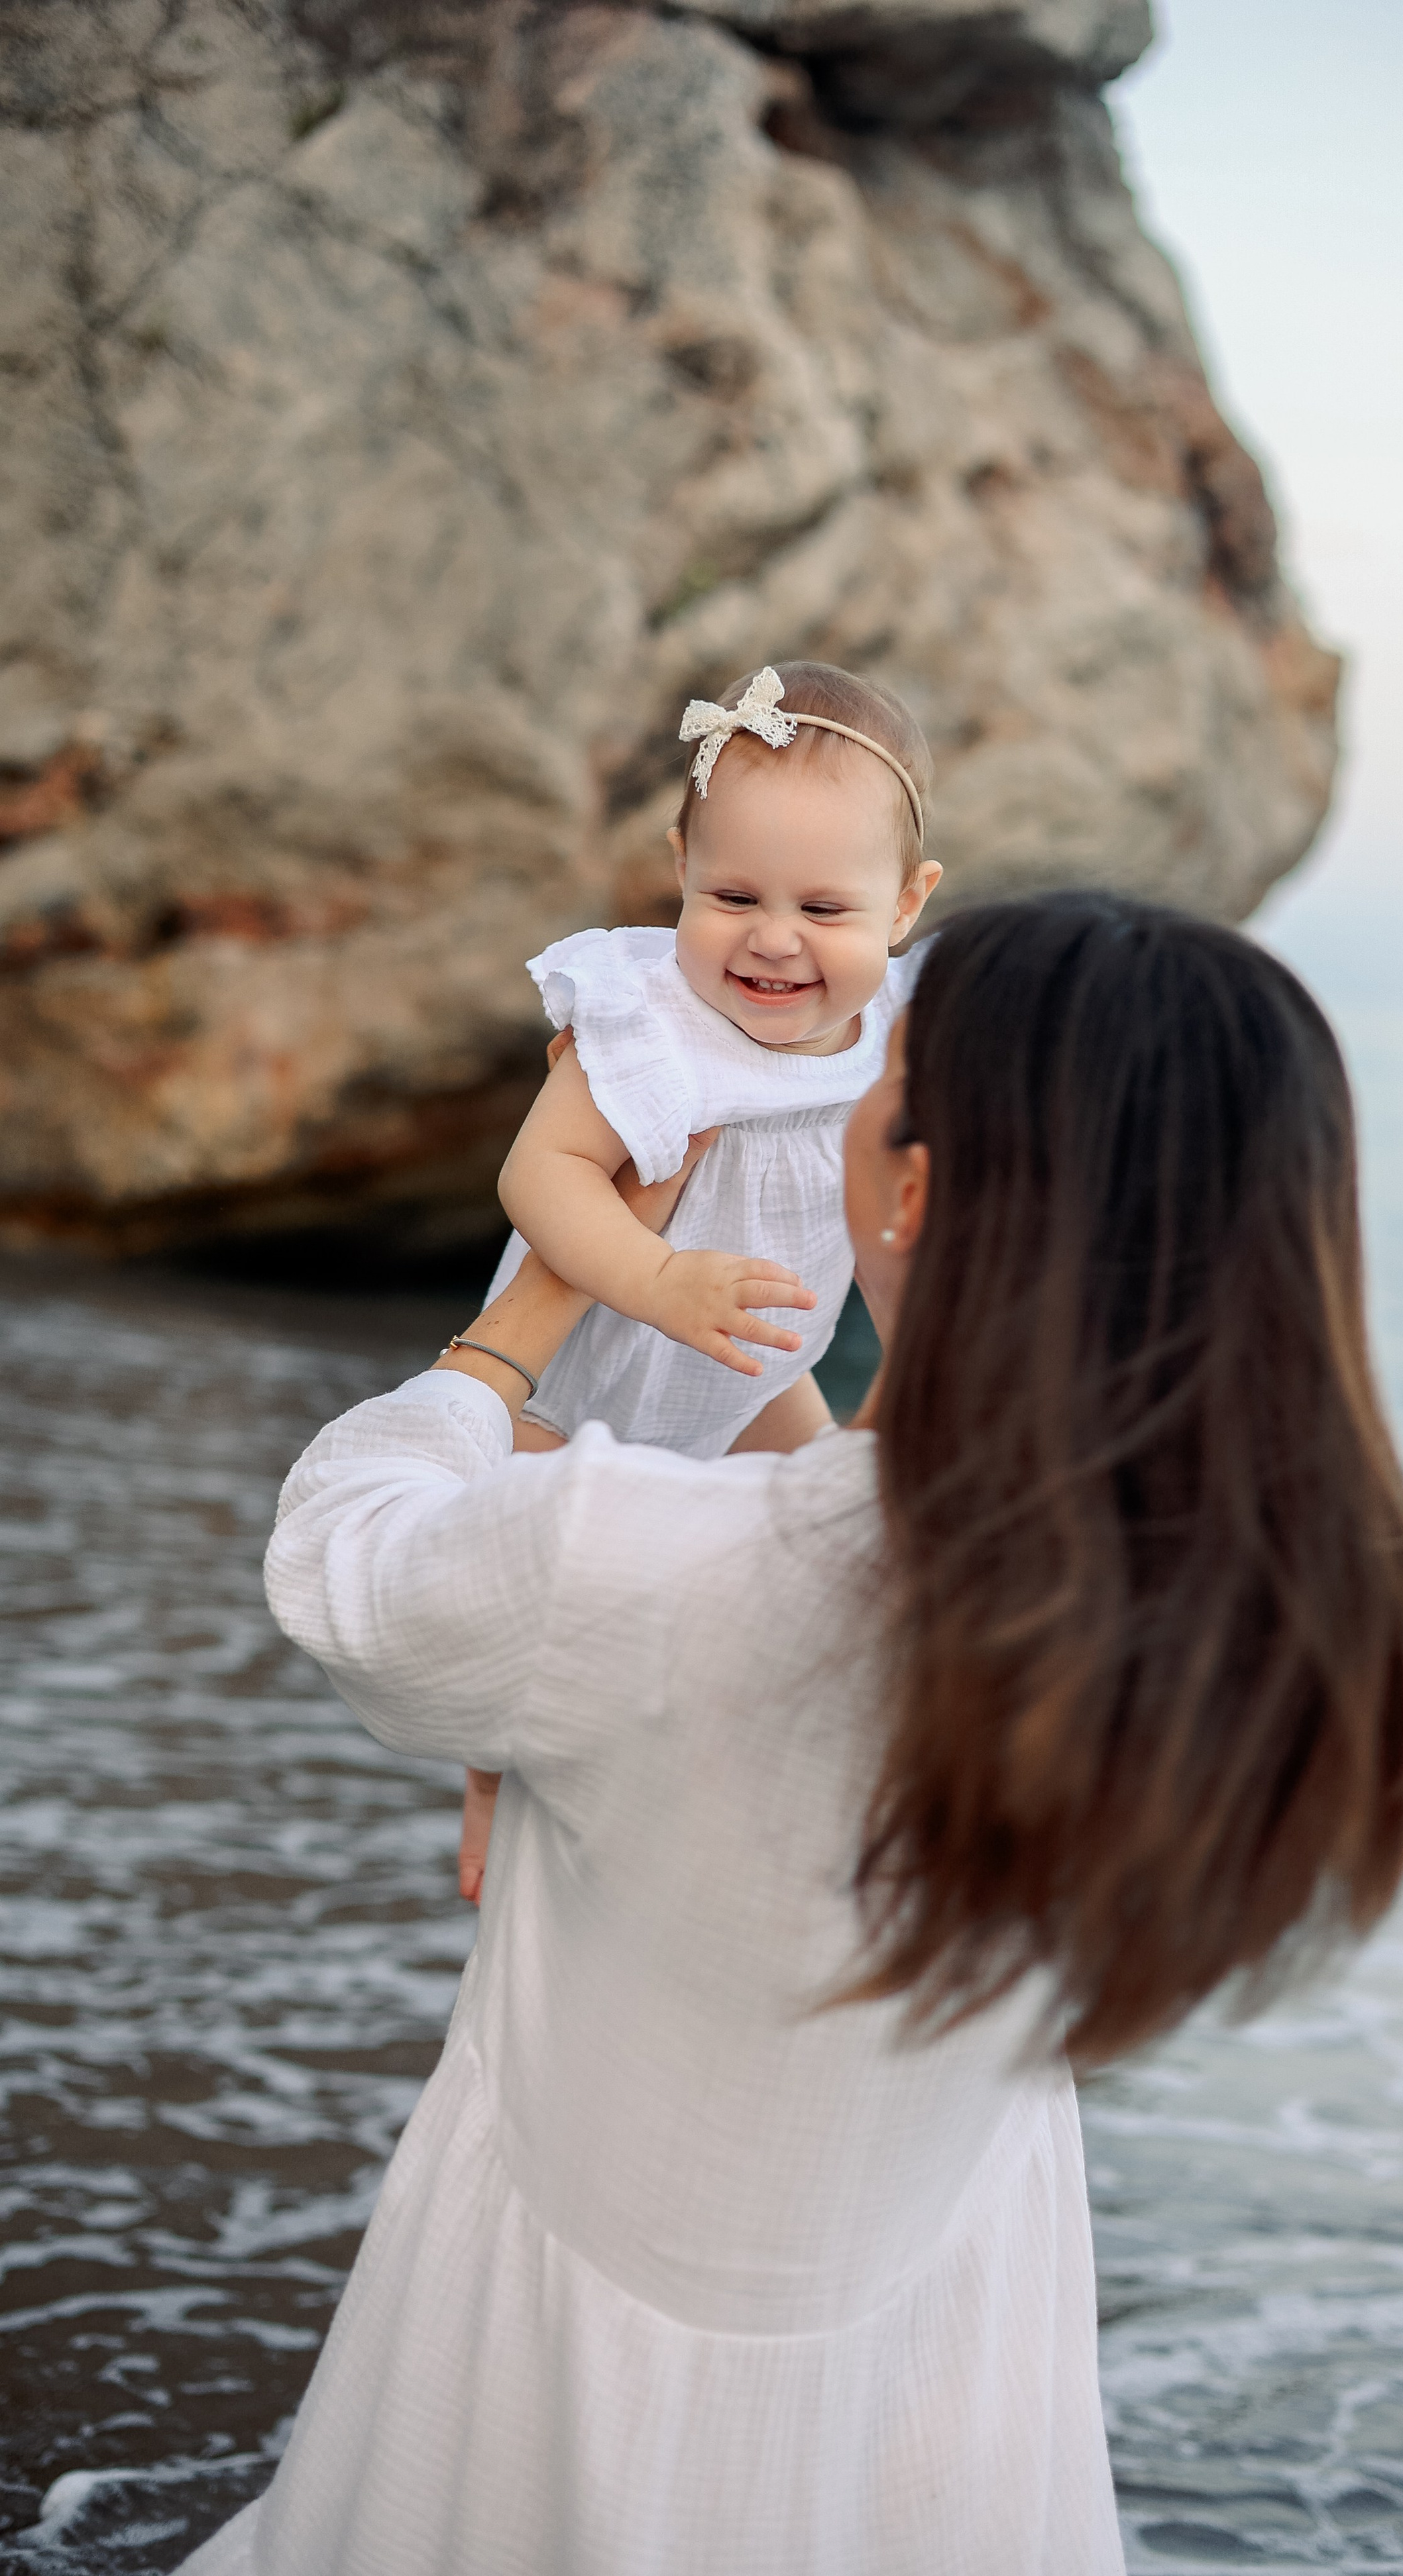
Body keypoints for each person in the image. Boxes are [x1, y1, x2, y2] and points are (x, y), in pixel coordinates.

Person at [177, 894, 1403, 2576]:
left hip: (575, 2364)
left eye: (879, 1070)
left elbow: (345, 1561)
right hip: (937, 2336)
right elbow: (881, 1517)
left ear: (909, 1188)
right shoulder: (1230, 1627)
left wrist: (528, 1321)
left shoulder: (643, 1566)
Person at [458, 658, 941, 1901]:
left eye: (825, 911)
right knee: (533, 1617)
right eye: (734, 893)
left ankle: (846, 1792)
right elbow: (543, 1175)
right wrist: (656, 1277)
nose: (774, 939)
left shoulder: (896, 1036)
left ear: (905, 906)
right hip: (566, 1384)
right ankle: (494, 1792)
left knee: (848, 1561)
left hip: (750, 1376)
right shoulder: (649, 1023)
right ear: (679, 863)